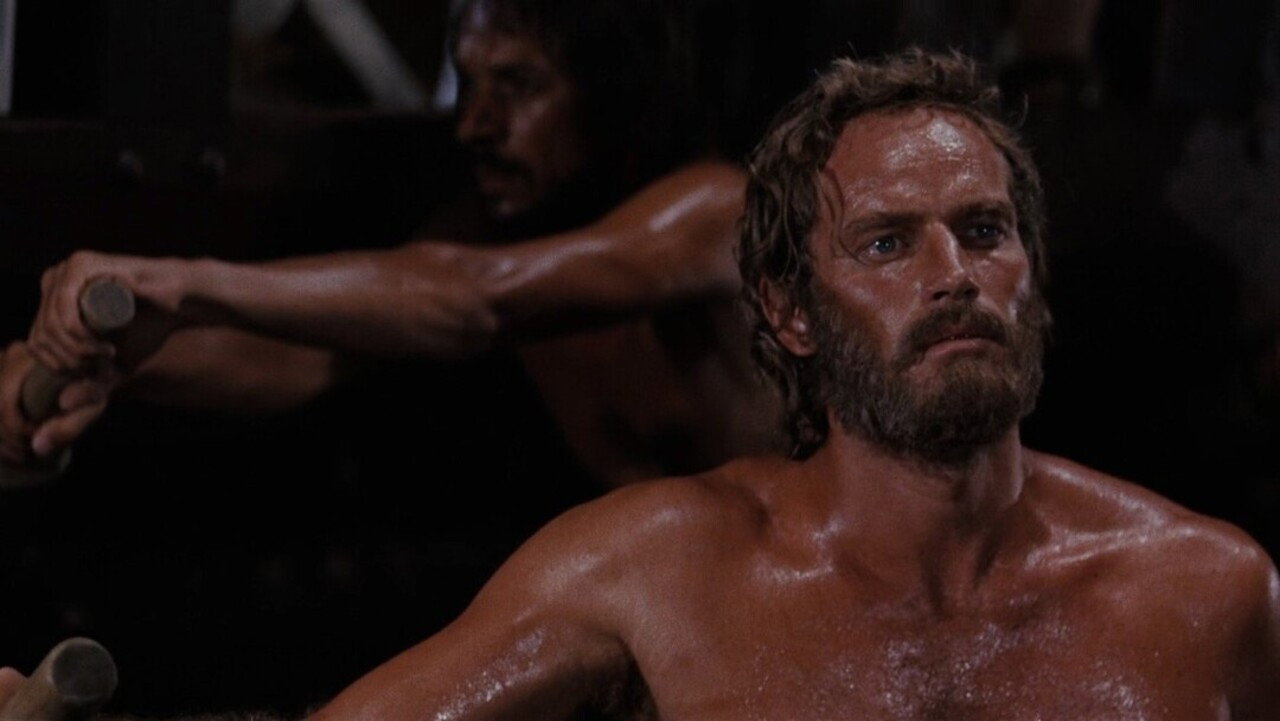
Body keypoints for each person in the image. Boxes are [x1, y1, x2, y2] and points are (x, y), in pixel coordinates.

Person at [9, 49, 1274, 719]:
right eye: (888, 243)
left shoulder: (1205, 589)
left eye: (984, 231)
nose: (953, 276)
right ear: (786, 309)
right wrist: (117, 364)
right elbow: (339, 348)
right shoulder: (648, 562)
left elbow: (473, 297)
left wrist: (185, 282)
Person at [0, 0, 779, 487]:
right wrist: (91, 367)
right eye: (469, 85)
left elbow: (476, 298)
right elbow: (295, 356)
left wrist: (180, 284)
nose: (474, 125)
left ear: (614, 93)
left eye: (518, 86)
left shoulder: (714, 211)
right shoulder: (500, 234)